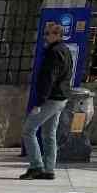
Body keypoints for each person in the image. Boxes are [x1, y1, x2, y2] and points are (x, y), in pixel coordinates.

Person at [22, 21, 70, 181]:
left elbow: (49, 78)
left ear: (56, 35)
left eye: (47, 33)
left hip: (51, 98)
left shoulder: (54, 52)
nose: (45, 37)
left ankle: (36, 166)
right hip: (61, 98)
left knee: (29, 130)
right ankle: (49, 169)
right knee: (49, 133)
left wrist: (39, 101)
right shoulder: (65, 50)